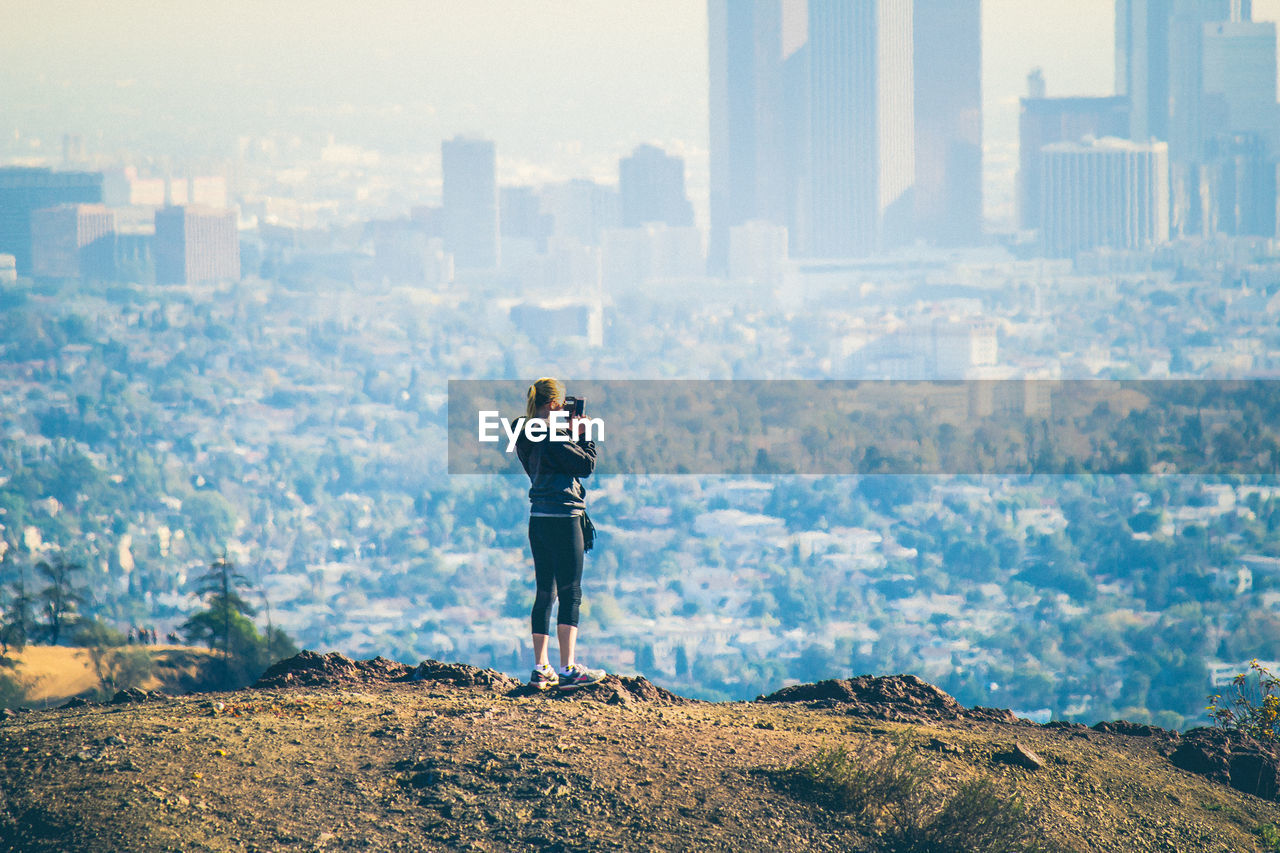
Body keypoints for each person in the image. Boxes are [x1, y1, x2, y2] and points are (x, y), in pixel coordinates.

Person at [515, 377, 606, 691]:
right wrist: (583, 436)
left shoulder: (523, 431)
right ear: (554, 404)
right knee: (570, 592)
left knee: (545, 592)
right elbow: (586, 465)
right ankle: (568, 668)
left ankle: (541, 667)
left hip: (538, 518)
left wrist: (567, 431)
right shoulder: (555, 435)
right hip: (565, 517)